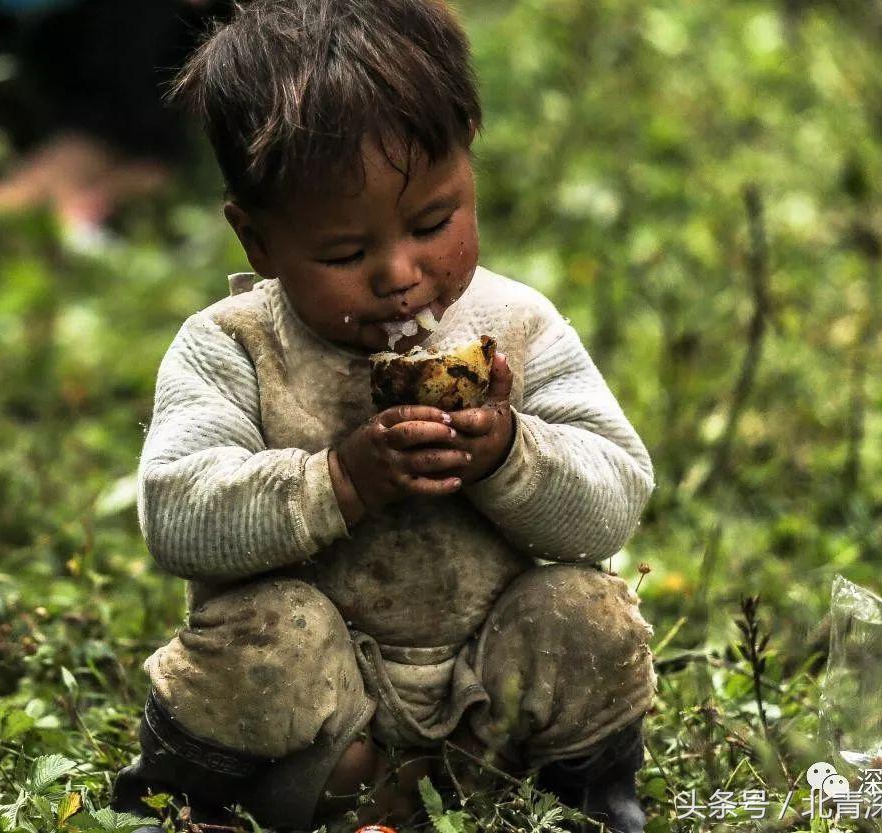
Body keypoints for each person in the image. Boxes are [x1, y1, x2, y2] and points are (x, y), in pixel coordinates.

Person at [110, 1, 658, 831]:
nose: (399, 275)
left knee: (585, 609)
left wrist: (513, 451)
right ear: (256, 239)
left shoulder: (519, 327)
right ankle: (189, 802)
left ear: (468, 147)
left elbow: (616, 496)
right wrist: (337, 480)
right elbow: (178, 513)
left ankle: (585, 805)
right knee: (270, 629)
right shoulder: (233, 349)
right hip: (321, 751)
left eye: (433, 222)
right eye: (342, 254)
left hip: (494, 739)